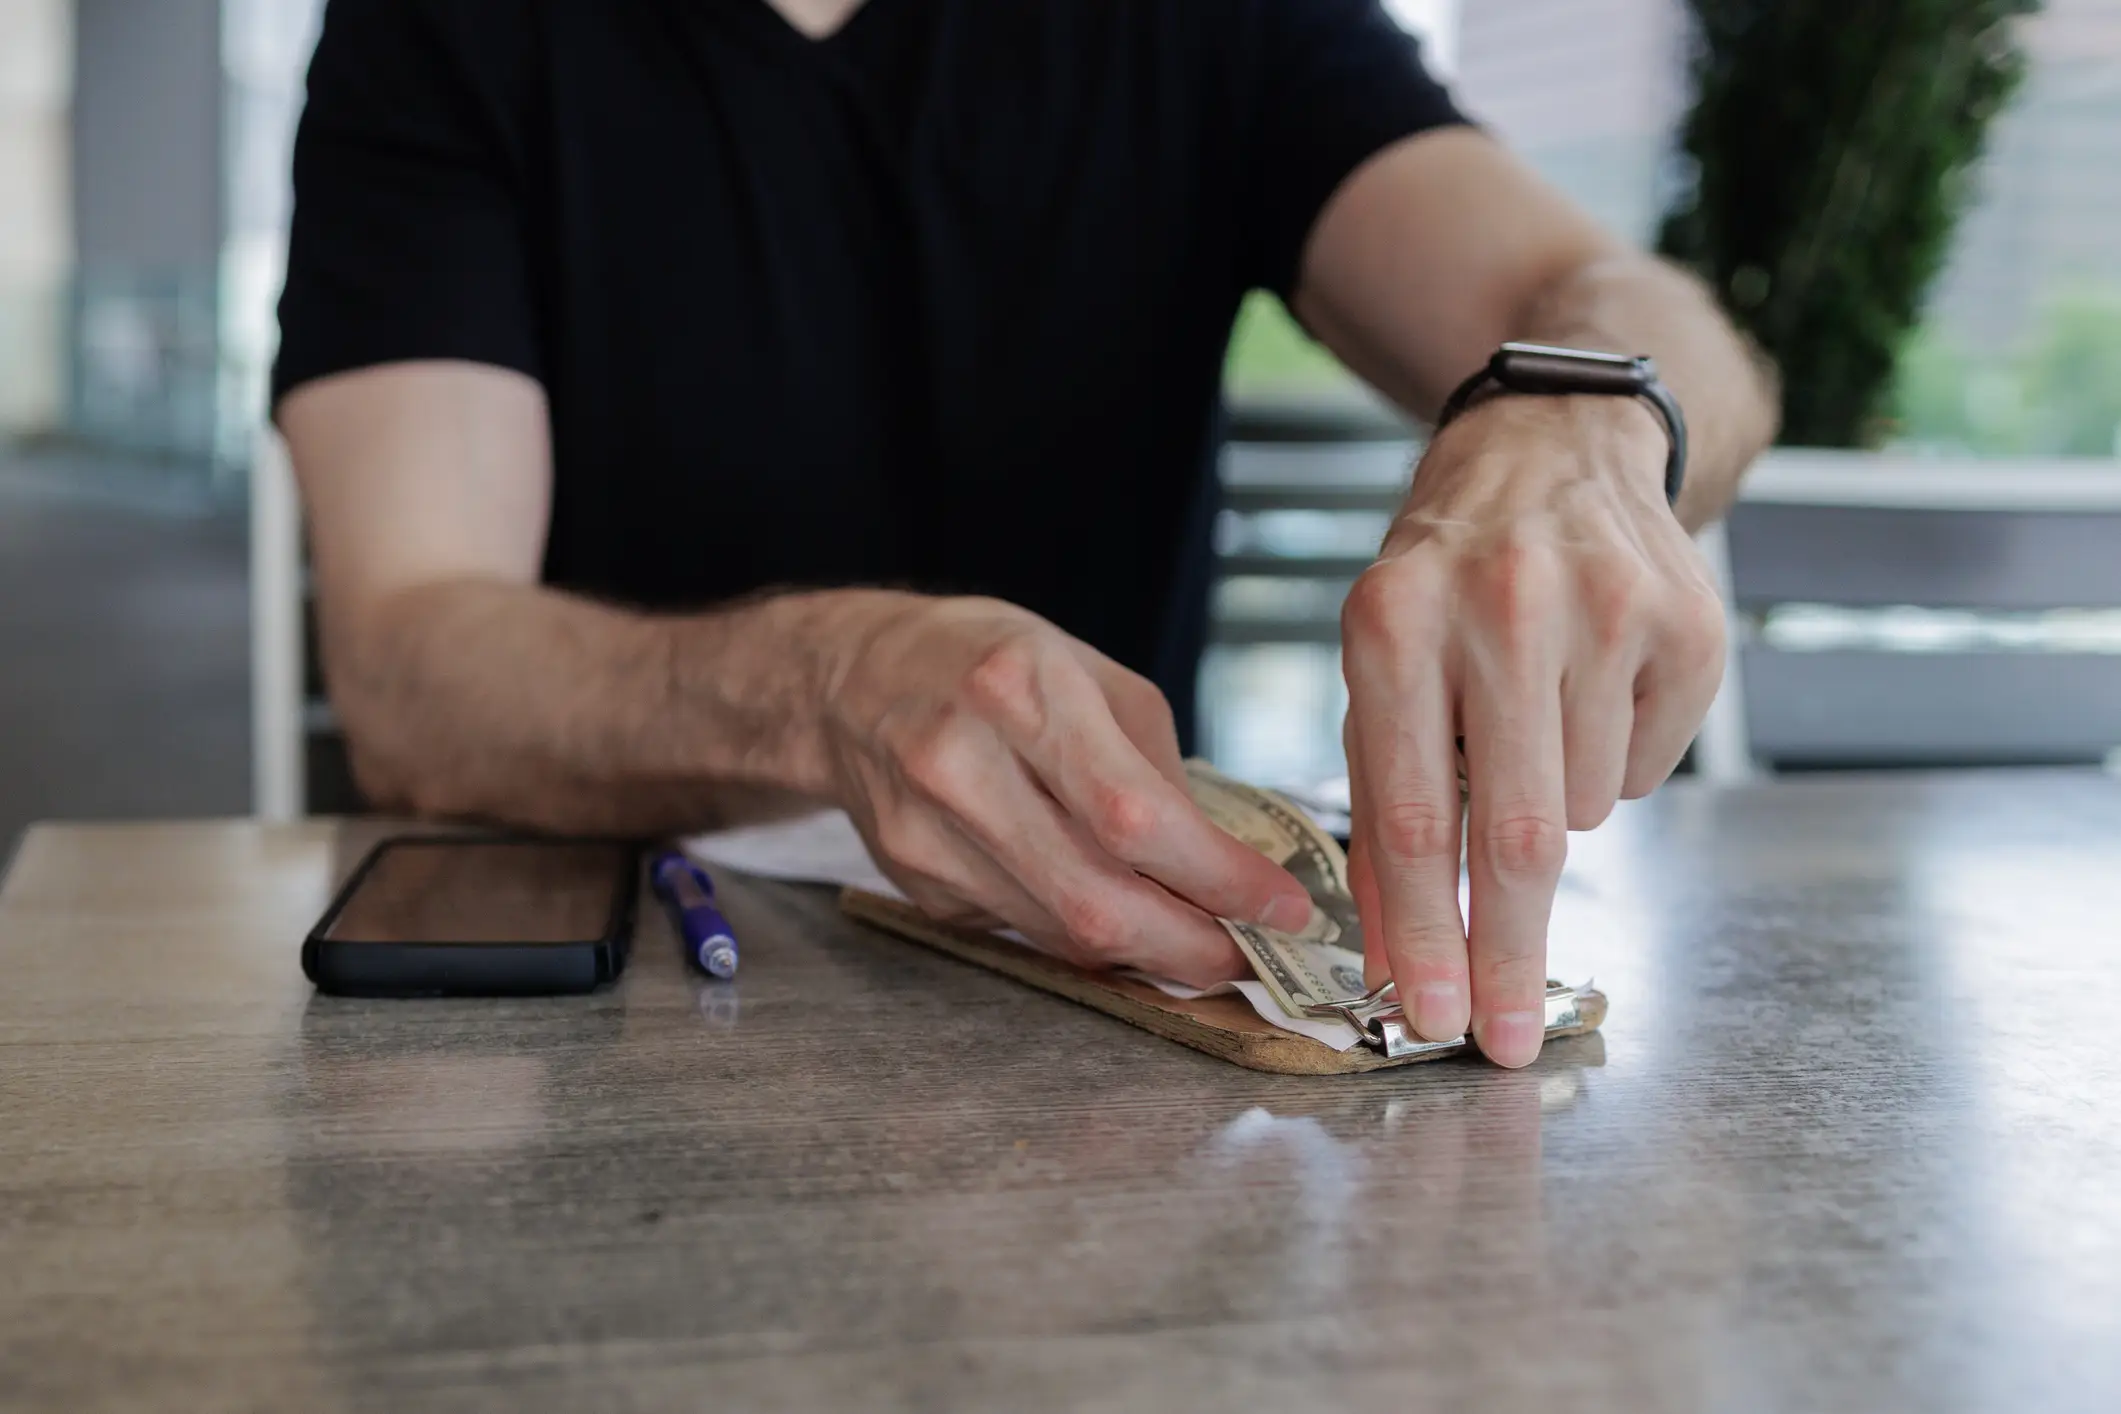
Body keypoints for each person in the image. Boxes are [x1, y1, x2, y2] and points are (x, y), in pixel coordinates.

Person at [274, 0, 1778, 1067]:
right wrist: (826, 677)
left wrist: (1574, 419)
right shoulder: (438, 32)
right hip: (642, 1028)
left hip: (1125, 1053)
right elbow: (411, 663)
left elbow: (1634, 313)